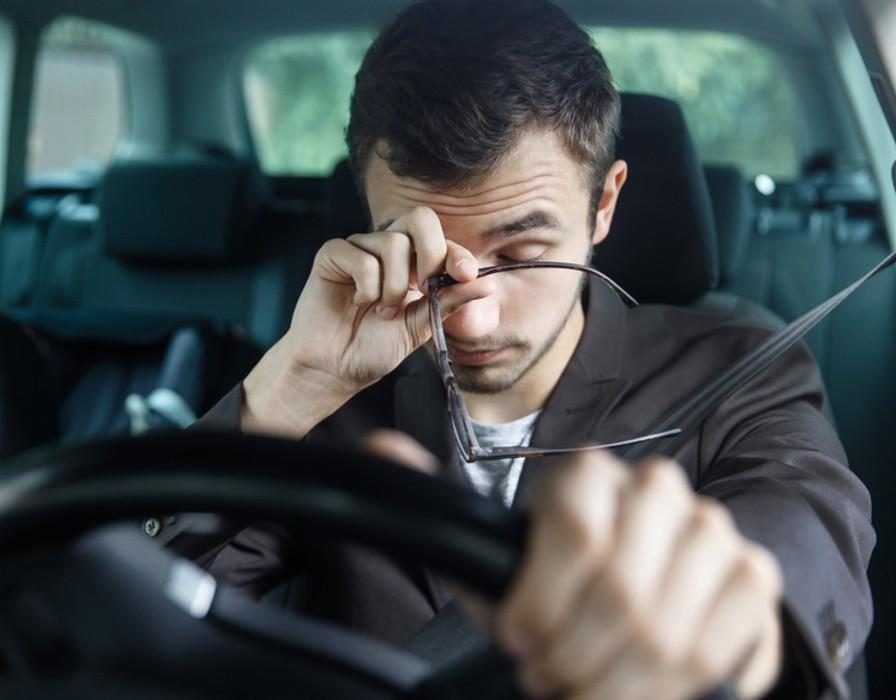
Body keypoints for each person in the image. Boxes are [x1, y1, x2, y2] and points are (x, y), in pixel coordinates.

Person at [167, 1, 874, 697]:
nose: (470, 325)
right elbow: (125, 612)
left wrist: (726, 627)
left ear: (603, 204)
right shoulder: (326, 403)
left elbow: (803, 545)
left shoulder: (742, 371)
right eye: (431, 260)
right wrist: (294, 385)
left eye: (523, 251)